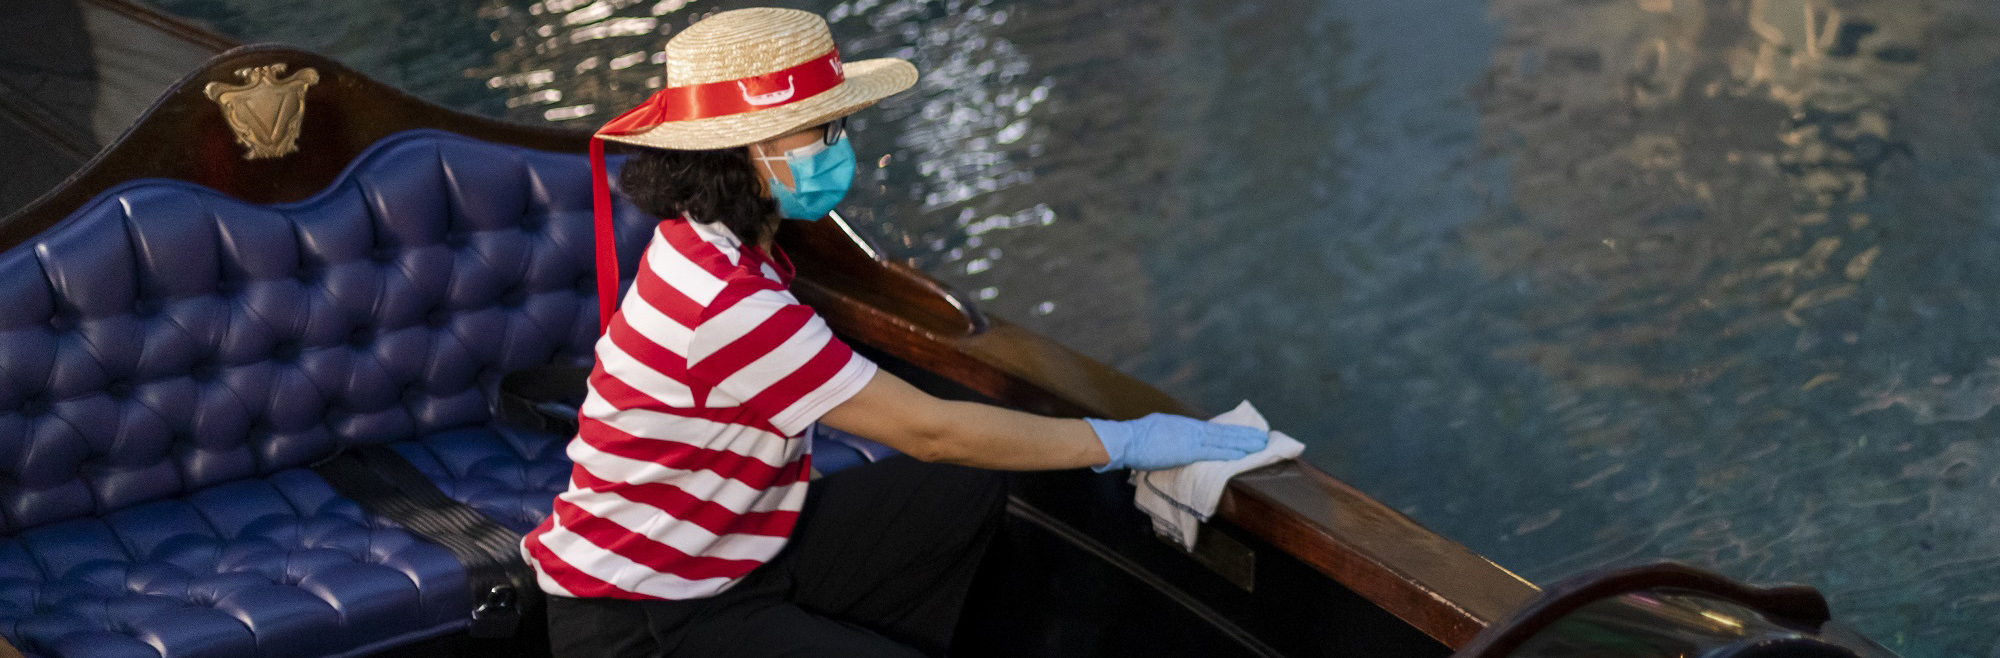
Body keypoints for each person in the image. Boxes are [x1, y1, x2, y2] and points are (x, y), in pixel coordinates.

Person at [524, 7, 1270, 657]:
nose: (840, 144)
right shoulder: (728, 303)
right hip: (645, 615)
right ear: (748, 150)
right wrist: (1125, 441)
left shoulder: (709, 238)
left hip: (739, 550)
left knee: (961, 490)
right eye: (822, 130)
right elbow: (932, 431)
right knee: (952, 460)